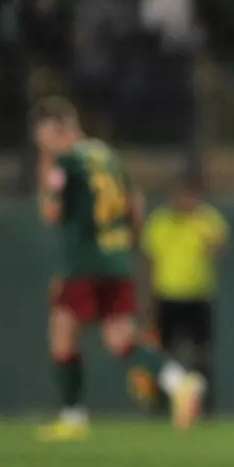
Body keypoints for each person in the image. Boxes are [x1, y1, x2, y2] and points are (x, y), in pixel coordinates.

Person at [33, 96, 204, 441]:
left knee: (63, 332)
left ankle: (72, 415)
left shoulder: (65, 162)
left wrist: (45, 158)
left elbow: (50, 212)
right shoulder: (105, 155)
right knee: (121, 338)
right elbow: (136, 205)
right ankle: (180, 382)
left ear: (54, 129)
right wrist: (126, 247)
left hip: (81, 263)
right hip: (115, 259)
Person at [142, 173, 228, 420]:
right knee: (162, 352)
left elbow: (220, 247)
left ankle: (201, 407)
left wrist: (211, 245)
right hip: (166, 296)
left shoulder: (208, 219)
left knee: (200, 353)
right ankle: (160, 406)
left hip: (198, 295)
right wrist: (148, 300)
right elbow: (150, 260)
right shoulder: (160, 221)